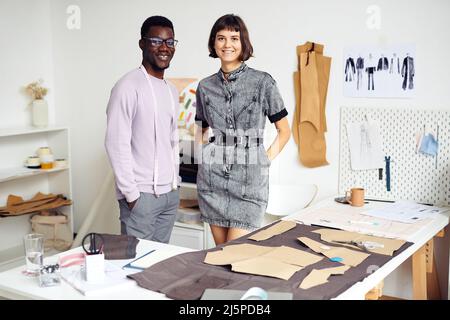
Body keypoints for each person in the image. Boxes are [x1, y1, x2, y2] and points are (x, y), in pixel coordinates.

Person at [195, 14, 290, 245]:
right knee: (220, 253)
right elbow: (200, 128)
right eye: (221, 38)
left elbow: (284, 131)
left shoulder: (263, 82)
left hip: (249, 182)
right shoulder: (205, 86)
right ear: (213, 43)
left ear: (243, 43)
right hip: (213, 181)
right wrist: (203, 156)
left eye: (234, 38)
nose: (227, 44)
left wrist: (263, 160)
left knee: (236, 255)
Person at [105, 16, 180, 243]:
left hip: (169, 195)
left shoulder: (171, 90)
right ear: (142, 44)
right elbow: (115, 143)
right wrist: (132, 195)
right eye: (156, 41)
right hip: (141, 197)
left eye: (170, 42)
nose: (164, 48)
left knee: (158, 268)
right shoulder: (127, 86)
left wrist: (174, 184)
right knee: (135, 269)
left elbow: (172, 140)